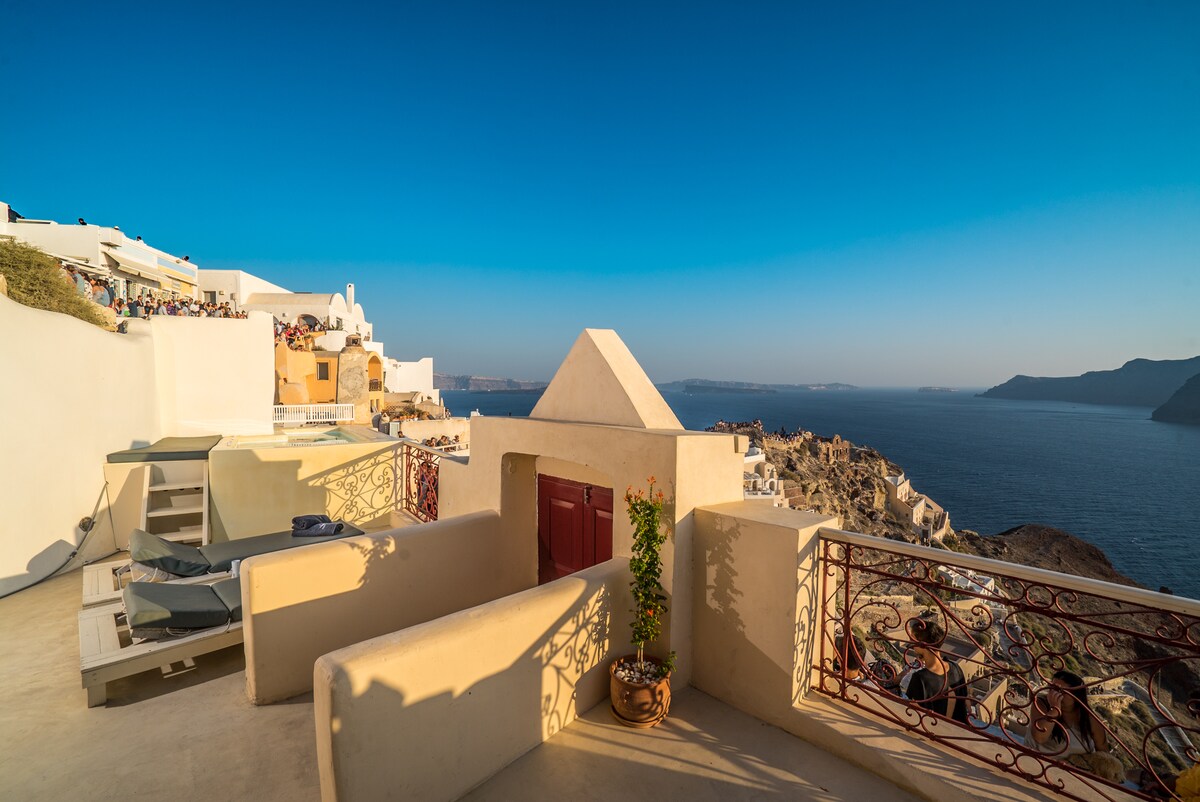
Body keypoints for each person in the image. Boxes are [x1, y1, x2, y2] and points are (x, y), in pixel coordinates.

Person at [903, 616, 971, 724]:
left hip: (933, 735)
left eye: (912, 639)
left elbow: (912, 713)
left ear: (923, 644)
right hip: (959, 734)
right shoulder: (956, 668)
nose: (910, 643)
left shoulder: (920, 679)